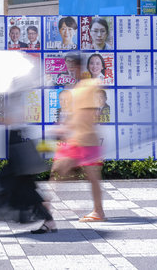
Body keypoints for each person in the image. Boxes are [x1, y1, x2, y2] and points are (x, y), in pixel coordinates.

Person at [35, 79, 106, 232]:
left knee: (57, 175)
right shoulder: (84, 87)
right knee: (88, 178)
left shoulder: (83, 88)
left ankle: (46, 213)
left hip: (80, 141)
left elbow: (85, 116)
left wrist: (65, 128)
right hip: (83, 140)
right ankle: (98, 211)